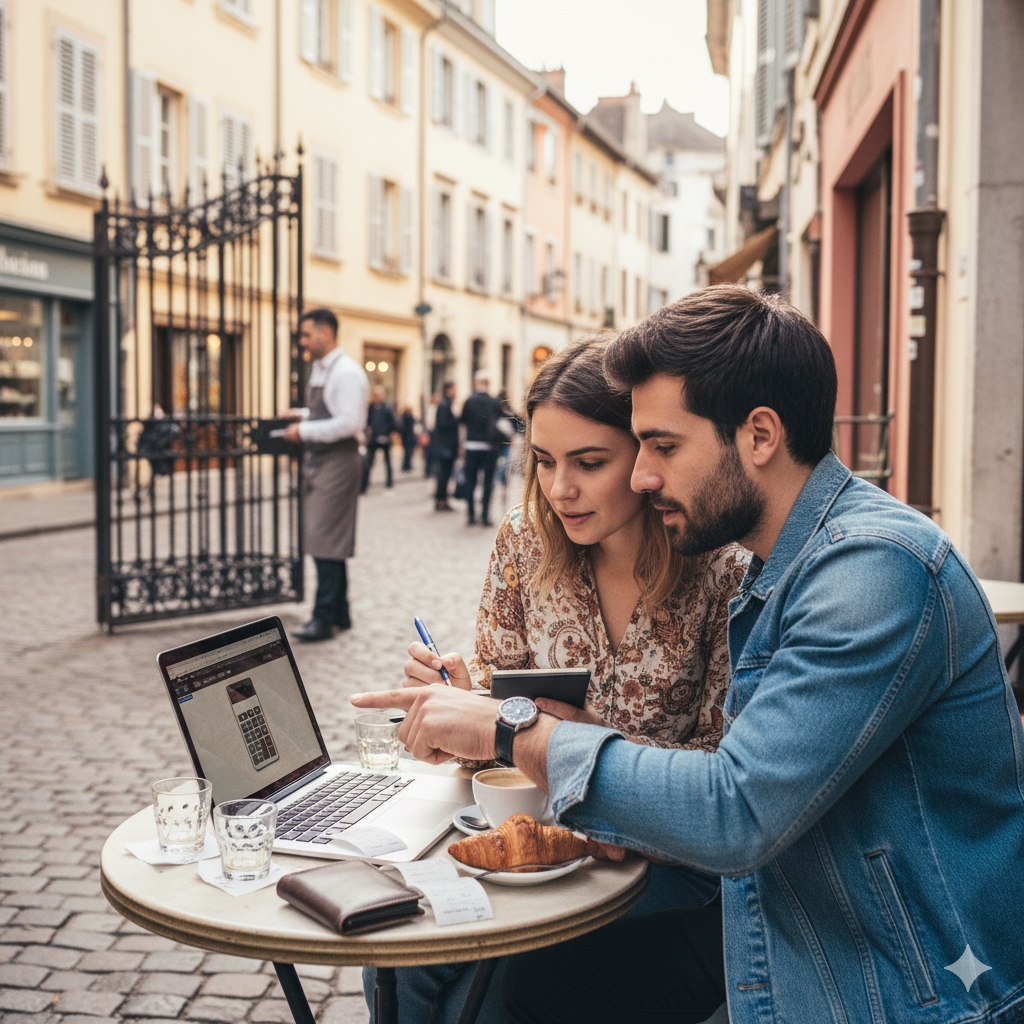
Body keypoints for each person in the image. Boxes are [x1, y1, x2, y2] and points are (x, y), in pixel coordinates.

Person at [354, 286, 1024, 1024]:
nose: (642, 477)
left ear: (760, 435)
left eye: (662, 447)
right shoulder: (784, 567)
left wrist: (511, 727)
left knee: (503, 996)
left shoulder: (871, 571)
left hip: (900, 985)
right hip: (792, 921)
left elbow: (733, 809)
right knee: (420, 966)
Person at [362, 337, 749, 1022]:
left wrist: (570, 741)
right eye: (543, 461)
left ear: (644, 456)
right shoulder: (522, 541)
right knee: (397, 960)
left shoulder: (717, 568)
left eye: (589, 462)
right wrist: (462, 704)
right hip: (524, 836)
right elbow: (496, 726)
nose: (560, 489)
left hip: (653, 863)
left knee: (491, 1000)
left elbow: (727, 773)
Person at [283, 308, 368, 641]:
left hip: (338, 461)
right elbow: (327, 412)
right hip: (322, 461)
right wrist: (302, 414)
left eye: (306, 334)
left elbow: (350, 422)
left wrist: (303, 430)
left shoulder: (346, 371)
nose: (302, 341)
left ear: (326, 333)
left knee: (325, 540)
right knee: (326, 540)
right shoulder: (323, 369)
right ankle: (340, 613)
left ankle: (324, 617)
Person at [459, 370, 502, 526]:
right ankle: (484, 515)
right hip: (490, 447)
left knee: (470, 481)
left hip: (471, 446)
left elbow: (462, 424)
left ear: (476, 383)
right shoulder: (494, 402)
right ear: (488, 384)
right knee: (488, 482)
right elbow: (501, 423)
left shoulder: (469, 401)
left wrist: (461, 445)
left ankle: (470, 514)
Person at [361, 386, 399, 491]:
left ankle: (389, 481)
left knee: (387, 461)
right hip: (373, 438)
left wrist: (391, 433)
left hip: (385, 438)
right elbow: (366, 421)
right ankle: (364, 484)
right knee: (369, 461)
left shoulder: (387, 408)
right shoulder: (370, 408)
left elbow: (393, 422)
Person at [431, 381, 459, 511]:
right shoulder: (444, 405)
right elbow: (442, 424)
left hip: (446, 446)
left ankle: (443, 499)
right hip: (445, 447)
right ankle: (441, 500)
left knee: (445, 474)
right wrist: (456, 421)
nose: (456, 392)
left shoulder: (447, 404)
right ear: (448, 390)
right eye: (454, 389)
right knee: (443, 474)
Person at [399, 405, 417, 473]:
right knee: (408, 452)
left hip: (409, 437)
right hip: (407, 437)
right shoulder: (405, 417)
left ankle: (407, 465)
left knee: (408, 452)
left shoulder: (406, 417)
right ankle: (406, 465)